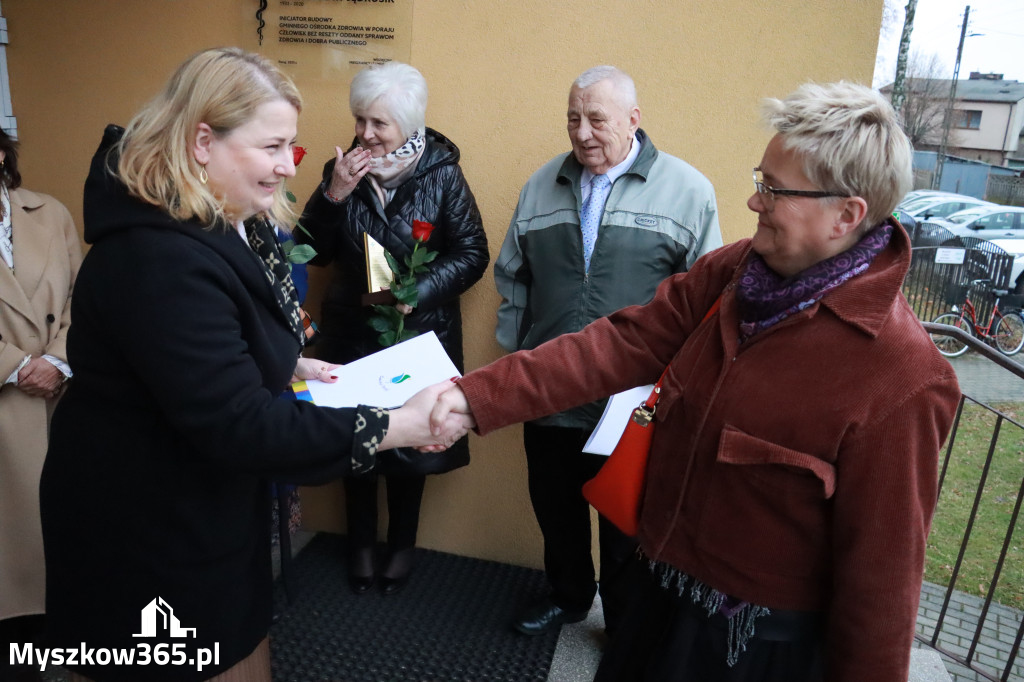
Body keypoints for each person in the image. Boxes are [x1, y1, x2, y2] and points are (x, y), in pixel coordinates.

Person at [429, 81, 961, 681]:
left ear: (847, 214)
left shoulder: (904, 378)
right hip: (654, 606)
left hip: (751, 652)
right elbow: (620, 341)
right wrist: (471, 398)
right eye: (760, 180)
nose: (755, 202)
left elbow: (881, 589)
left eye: (774, 190)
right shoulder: (736, 271)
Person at [39, 47, 470, 682]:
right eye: (271, 148)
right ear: (202, 142)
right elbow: (238, 423)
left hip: (201, 508)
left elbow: (224, 334)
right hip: (148, 534)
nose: (283, 168)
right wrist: (399, 426)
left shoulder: (223, 214)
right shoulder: (159, 257)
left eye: (289, 149)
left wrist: (292, 363)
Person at [493, 65, 721, 636]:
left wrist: (677, 388)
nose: (583, 132)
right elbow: (512, 280)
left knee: (625, 521)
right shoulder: (542, 185)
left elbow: (705, 304)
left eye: (597, 119)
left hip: (633, 399)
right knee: (555, 508)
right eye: (574, 118)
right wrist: (518, 358)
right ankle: (568, 596)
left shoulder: (687, 190)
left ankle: (622, 625)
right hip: (549, 390)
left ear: (633, 121)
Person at [297, 61, 488, 596]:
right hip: (352, 333)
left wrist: (419, 292)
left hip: (419, 335)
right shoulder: (343, 171)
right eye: (360, 119)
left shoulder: (443, 174)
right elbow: (310, 250)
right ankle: (360, 546)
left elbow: (473, 253)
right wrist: (334, 194)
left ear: (407, 124)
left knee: (411, 447)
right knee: (358, 444)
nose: (364, 134)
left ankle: (400, 547)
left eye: (379, 123)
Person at [0, 129, 82, 682]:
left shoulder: (48, 212)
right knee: (13, 554)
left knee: (68, 536)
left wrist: (58, 360)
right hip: (7, 412)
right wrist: (11, 365)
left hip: (65, 398)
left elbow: (87, 294)